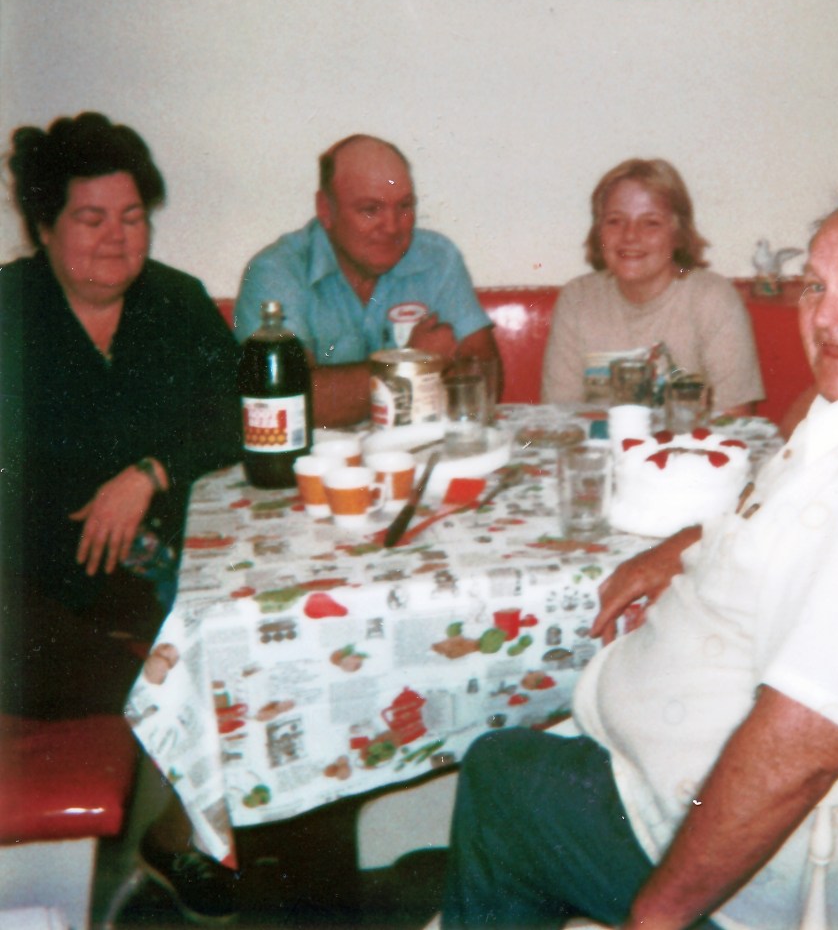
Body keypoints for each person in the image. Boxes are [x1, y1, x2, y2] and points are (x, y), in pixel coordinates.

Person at [439, 192, 838, 930]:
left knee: (503, 776)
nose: (826, 317)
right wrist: (686, 545)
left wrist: (658, 913)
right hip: (836, 834)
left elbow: (803, 750)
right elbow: (791, 512)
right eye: (815, 287)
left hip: (795, 879)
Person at [0, 112, 243, 920]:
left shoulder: (172, 302)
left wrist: (151, 471)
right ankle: (153, 860)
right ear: (44, 226)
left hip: (149, 579)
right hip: (24, 596)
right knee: (163, 678)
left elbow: (241, 411)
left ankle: (172, 841)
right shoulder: (8, 313)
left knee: (243, 657)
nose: (116, 239)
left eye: (132, 218)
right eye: (91, 219)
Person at [235, 135, 500, 427]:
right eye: (370, 209)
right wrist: (413, 363)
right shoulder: (276, 272)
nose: (392, 226)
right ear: (326, 210)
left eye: (404, 206)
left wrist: (349, 389)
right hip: (318, 465)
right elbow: (294, 402)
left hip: (420, 455)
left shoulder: (438, 258)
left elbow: (481, 373)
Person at [541, 158, 763, 416]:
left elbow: (732, 417)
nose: (631, 235)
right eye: (615, 221)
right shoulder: (576, 299)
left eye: (651, 223)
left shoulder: (713, 298)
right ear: (598, 231)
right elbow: (559, 415)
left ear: (678, 233)